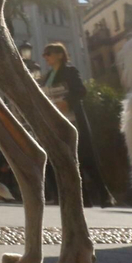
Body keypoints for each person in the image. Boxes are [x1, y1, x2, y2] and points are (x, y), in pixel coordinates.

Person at [40, 42, 113, 208]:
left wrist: (67, 102)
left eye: (49, 53)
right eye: (44, 54)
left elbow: (81, 91)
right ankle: (82, 199)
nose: (45, 56)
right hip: (56, 121)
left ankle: (104, 196)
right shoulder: (46, 76)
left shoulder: (70, 71)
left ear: (60, 54)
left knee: (86, 158)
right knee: (66, 159)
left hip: (74, 119)